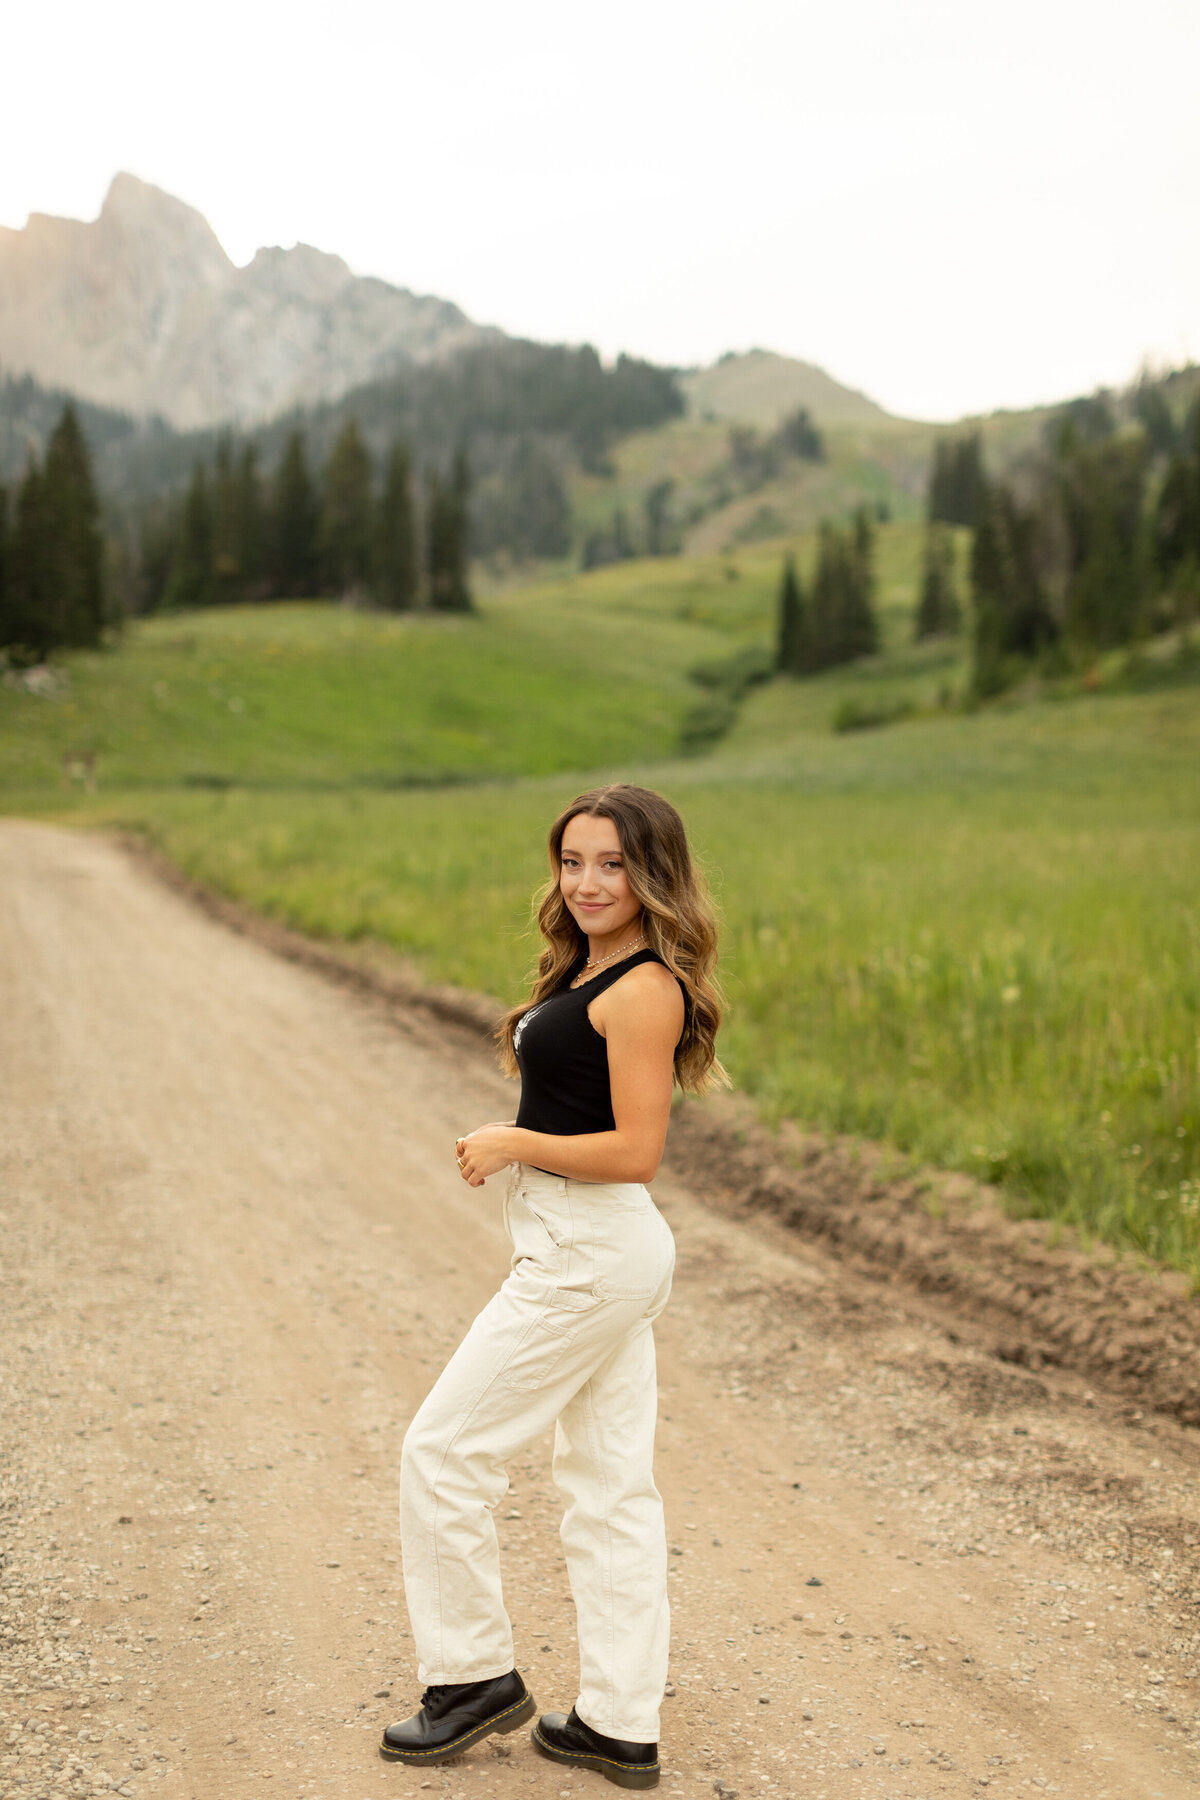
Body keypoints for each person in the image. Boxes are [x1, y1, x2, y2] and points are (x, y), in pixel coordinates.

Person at [380, 783, 725, 1790]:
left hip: (590, 1251)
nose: (585, 882)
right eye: (573, 861)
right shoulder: (594, 969)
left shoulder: (646, 988)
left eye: (611, 864)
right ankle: (617, 1723)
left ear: (651, 871)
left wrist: (512, 1141)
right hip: (590, 1249)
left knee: (442, 1451)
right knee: (608, 1486)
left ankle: (472, 1678)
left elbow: (638, 1150)